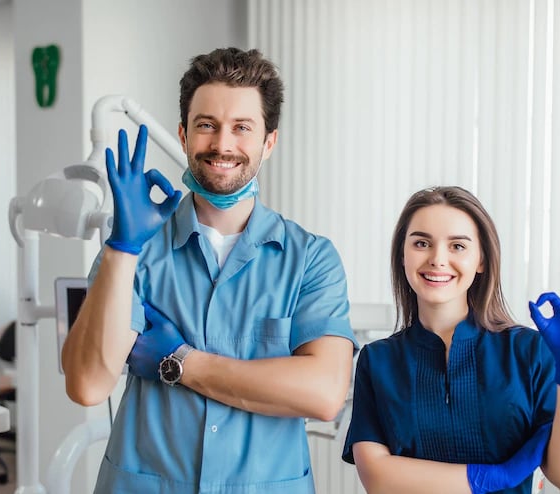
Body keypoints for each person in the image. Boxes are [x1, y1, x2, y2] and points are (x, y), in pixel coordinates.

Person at [61, 47, 358, 494]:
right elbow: (87, 384)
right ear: (183, 135)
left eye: (242, 127)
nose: (222, 144)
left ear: (268, 142)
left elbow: (323, 393)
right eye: (207, 125)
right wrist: (122, 247)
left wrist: (179, 361)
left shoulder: (310, 259)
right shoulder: (134, 250)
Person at [342, 186, 560, 494]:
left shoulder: (528, 352)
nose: (438, 259)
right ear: (403, 255)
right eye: (422, 243)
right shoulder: (378, 360)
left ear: (481, 260)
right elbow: (376, 476)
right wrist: (488, 477)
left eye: (457, 246)